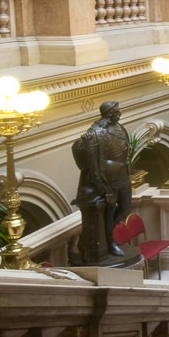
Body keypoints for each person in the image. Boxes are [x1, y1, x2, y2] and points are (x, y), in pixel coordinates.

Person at [72, 100, 133, 261]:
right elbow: (93, 161)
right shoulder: (98, 132)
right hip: (109, 178)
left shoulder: (120, 128)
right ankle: (110, 241)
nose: (119, 113)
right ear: (108, 113)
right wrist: (99, 182)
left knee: (126, 207)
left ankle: (109, 235)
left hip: (123, 174)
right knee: (109, 210)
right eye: (116, 111)